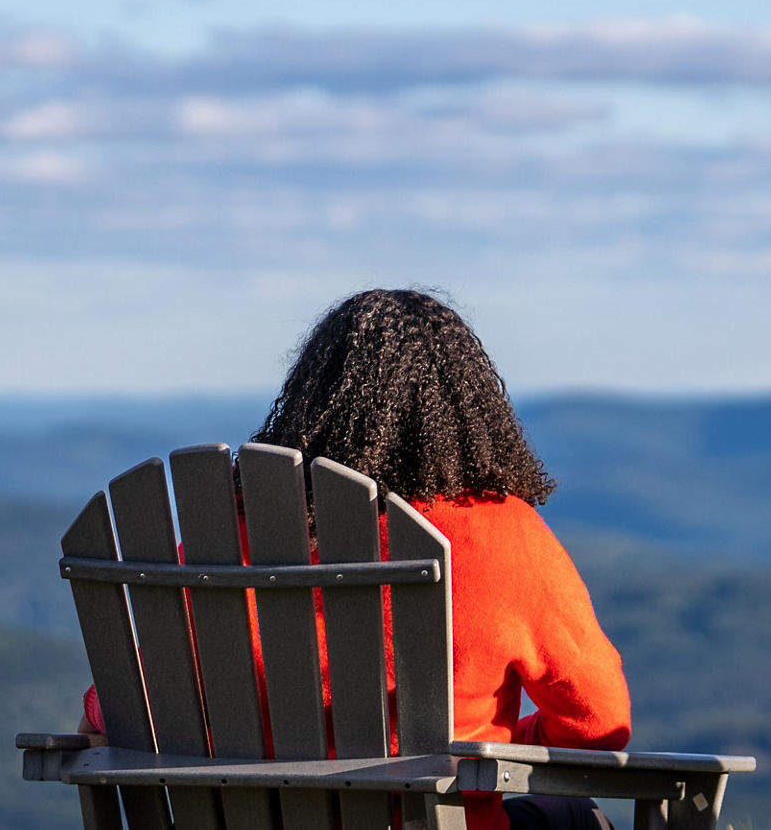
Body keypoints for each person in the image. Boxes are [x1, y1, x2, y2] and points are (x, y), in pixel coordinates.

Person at [80, 289, 631, 830]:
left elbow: (118, 716)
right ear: (470, 407)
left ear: (312, 399)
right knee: (579, 815)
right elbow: (598, 729)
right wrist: (490, 747)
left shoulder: (223, 542)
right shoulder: (506, 538)